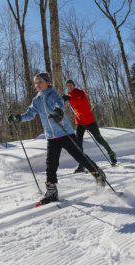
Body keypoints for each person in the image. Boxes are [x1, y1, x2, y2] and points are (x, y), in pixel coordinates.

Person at [8, 72, 106, 205]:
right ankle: (51, 191)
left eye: (40, 82)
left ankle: (98, 175)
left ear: (48, 82)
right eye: (36, 83)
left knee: (80, 156)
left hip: (65, 133)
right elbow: (30, 114)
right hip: (51, 136)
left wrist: (57, 112)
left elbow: (59, 105)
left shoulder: (53, 94)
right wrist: (19, 118)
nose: (37, 85)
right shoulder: (36, 100)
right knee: (51, 164)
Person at [62, 80, 117, 173]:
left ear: (74, 85)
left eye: (70, 85)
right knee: (78, 144)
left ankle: (111, 153)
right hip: (79, 122)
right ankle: (82, 164)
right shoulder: (69, 95)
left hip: (89, 121)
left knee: (99, 139)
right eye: (67, 86)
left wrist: (70, 99)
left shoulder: (80, 92)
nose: (69, 87)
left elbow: (83, 104)